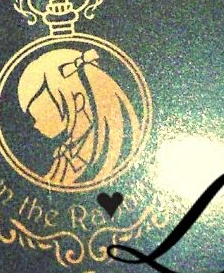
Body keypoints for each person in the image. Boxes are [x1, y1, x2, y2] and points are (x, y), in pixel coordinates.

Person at [16, 44, 142, 187]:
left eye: (43, 113)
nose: (35, 124)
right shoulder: (67, 153)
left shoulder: (92, 155)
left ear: (78, 102)